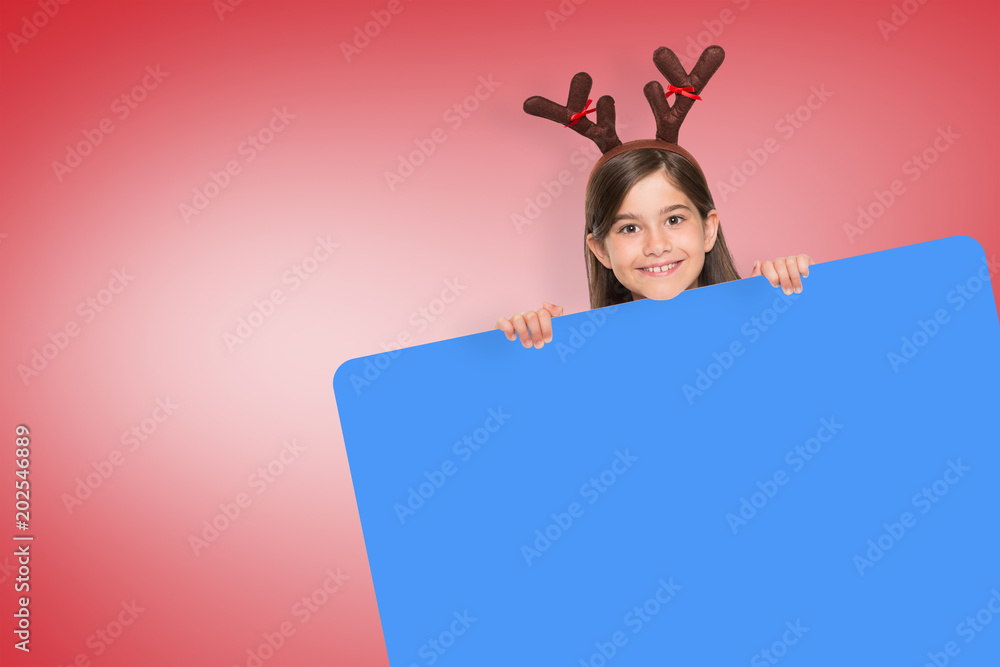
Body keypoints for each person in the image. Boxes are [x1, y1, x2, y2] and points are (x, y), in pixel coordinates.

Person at [496, 45, 813, 349]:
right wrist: (525, 346)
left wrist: (795, 296)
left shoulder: (768, 312)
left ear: (708, 229)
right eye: (629, 228)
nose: (657, 246)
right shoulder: (580, 349)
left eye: (674, 219)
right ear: (600, 250)